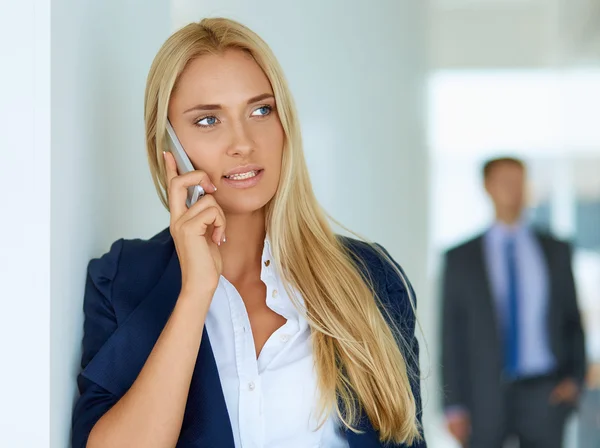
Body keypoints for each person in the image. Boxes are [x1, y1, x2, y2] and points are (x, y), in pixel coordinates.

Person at [71, 17, 426, 448]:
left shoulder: (370, 278)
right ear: (168, 145)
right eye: (207, 120)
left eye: (261, 110)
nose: (242, 142)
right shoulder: (122, 279)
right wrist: (195, 294)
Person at [440, 157, 586, 448]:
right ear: (487, 187)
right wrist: (453, 404)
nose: (513, 189)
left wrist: (574, 380)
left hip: (545, 392)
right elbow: (451, 333)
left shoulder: (555, 250)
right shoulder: (461, 258)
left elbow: (572, 319)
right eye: (504, 181)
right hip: (483, 395)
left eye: (519, 181)